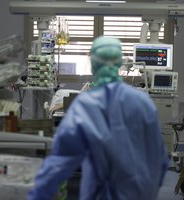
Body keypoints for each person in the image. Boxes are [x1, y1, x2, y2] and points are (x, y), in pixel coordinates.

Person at [28, 36, 169, 200]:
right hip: (138, 192)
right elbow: (160, 158)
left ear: (93, 64)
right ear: (119, 63)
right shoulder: (142, 102)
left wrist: (37, 195)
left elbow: (60, 162)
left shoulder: (85, 106)